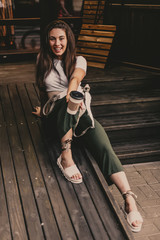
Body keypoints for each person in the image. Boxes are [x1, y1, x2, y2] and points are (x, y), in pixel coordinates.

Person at [32, 20, 143, 232]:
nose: (57, 43)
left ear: (68, 40)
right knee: (68, 103)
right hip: (55, 117)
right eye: (53, 38)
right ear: (47, 40)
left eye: (61, 38)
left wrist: (72, 95)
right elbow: (43, 90)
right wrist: (43, 110)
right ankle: (66, 156)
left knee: (104, 147)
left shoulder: (79, 60)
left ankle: (128, 198)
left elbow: (76, 79)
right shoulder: (41, 59)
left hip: (79, 113)